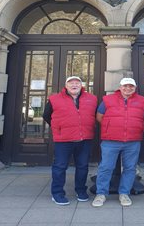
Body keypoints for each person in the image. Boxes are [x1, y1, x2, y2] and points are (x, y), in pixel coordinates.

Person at [92, 78, 144, 207]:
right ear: (120, 87)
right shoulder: (108, 99)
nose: (128, 88)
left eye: (131, 86)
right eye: (125, 86)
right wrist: (111, 127)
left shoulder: (142, 101)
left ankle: (124, 193)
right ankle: (101, 193)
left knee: (130, 168)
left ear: (135, 88)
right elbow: (99, 116)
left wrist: (138, 127)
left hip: (132, 141)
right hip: (110, 140)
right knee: (106, 167)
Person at [43, 76, 97, 205]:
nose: (74, 85)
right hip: (63, 140)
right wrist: (59, 128)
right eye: (71, 83)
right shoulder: (54, 99)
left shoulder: (92, 98)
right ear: (66, 86)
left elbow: (95, 115)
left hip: (84, 138)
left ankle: (81, 191)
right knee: (60, 167)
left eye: (77, 83)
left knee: (83, 166)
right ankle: (57, 193)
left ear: (81, 85)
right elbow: (46, 115)